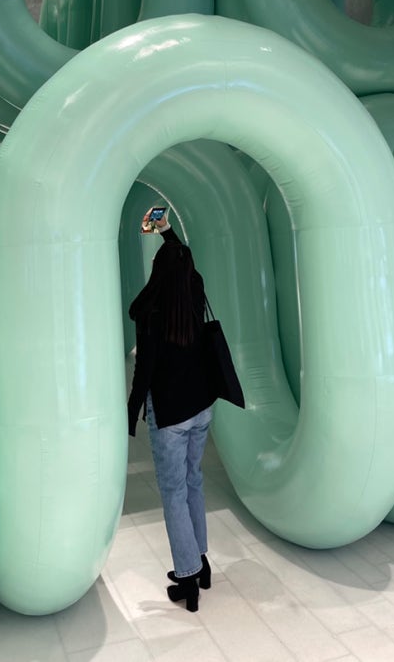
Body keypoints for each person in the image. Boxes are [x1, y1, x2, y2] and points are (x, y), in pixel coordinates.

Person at [127, 209, 223, 612]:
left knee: (174, 492)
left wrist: (130, 411)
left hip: (170, 415)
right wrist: (166, 232)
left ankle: (187, 579)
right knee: (193, 481)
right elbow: (184, 260)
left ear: (159, 272)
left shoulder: (152, 311)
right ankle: (200, 561)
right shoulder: (194, 293)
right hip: (201, 408)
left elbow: (144, 370)